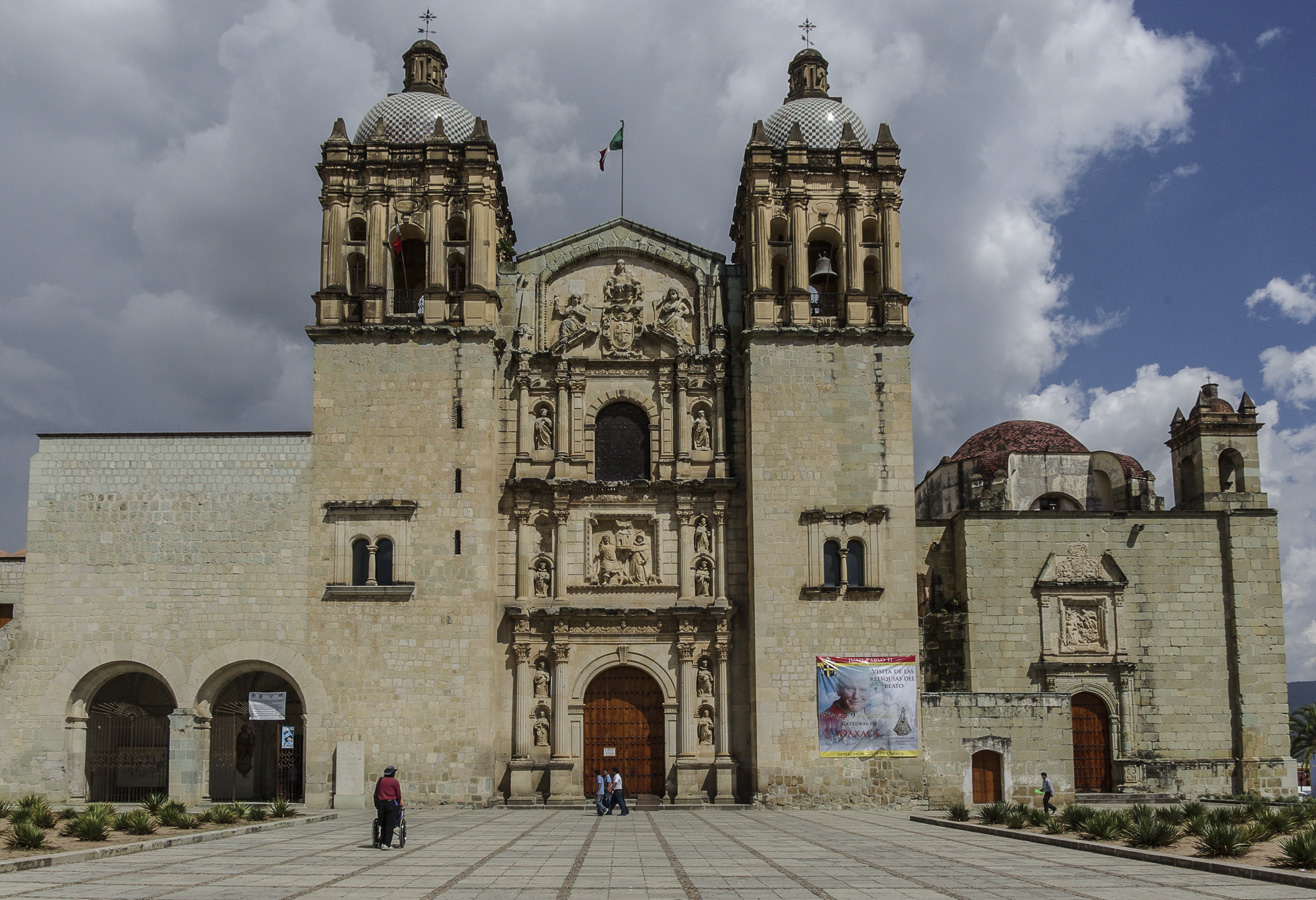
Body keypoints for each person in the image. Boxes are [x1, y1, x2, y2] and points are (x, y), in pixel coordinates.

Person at [374, 765, 404, 850]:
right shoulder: (394, 782)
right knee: (389, 824)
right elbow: (398, 794)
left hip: (381, 804)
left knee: (383, 823)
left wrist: (376, 804)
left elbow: (376, 792)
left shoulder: (380, 780)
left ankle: (381, 841)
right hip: (390, 804)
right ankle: (386, 843)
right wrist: (399, 802)